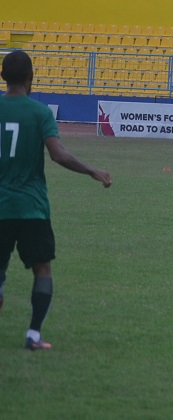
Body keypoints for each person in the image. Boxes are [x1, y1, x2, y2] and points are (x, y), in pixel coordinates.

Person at [0, 50, 112, 350]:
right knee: (42, 269)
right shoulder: (39, 113)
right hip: (31, 207)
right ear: (30, 77)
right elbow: (58, 154)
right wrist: (92, 170)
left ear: (3, 76)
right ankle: (34, 335)